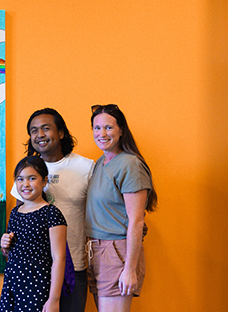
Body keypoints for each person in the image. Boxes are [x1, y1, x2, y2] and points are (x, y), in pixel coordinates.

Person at [10, 108, 94, 312]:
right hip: (31, 272)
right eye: (34, 130)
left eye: (46, 129)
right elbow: (18, 223)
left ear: (61, 133)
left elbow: (101, 206)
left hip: (72, 268)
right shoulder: (26, 172)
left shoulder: (85, 167)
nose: (39, 135)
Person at [84, 104, 157, 312]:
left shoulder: (130, 164)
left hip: (116, 251)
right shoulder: (101, 163)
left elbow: (136, 221)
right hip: (94, 250)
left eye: (108, 127)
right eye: (97, 128)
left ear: (121, 130)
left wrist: (130, 269)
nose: (101, 133)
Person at [0, 156, 68, 312]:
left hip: (38, 287)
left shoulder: (51, 213)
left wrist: (54, 299)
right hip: (13, 286)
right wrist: (4, 245)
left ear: (44, 181)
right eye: (20, 179)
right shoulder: (15, 213)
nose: (25, 184)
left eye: (32, 178)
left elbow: (59, 258)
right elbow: (11, 254)